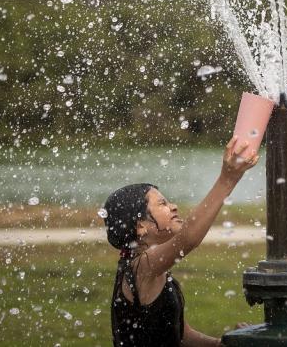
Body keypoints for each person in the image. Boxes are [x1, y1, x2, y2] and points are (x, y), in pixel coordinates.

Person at [105, 136, 259, 346]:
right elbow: (188, 238)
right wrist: (227, 179)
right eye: (162, 203)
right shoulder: (143, 266)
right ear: (140, 226)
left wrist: (224, 343)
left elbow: (181, 335)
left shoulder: (151, 268)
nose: (174, 206)